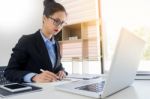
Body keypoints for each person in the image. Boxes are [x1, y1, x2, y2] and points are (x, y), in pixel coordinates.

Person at [4, 0, 67, 83]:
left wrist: (62, 71)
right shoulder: (26, 41)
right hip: (32, 93)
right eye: (56, 21)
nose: (59, 26)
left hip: (52, 90)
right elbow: (9, 72)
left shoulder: (56, 43)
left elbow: (57, 66)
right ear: (44, 18)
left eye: (62, 23)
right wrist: (34, 77)